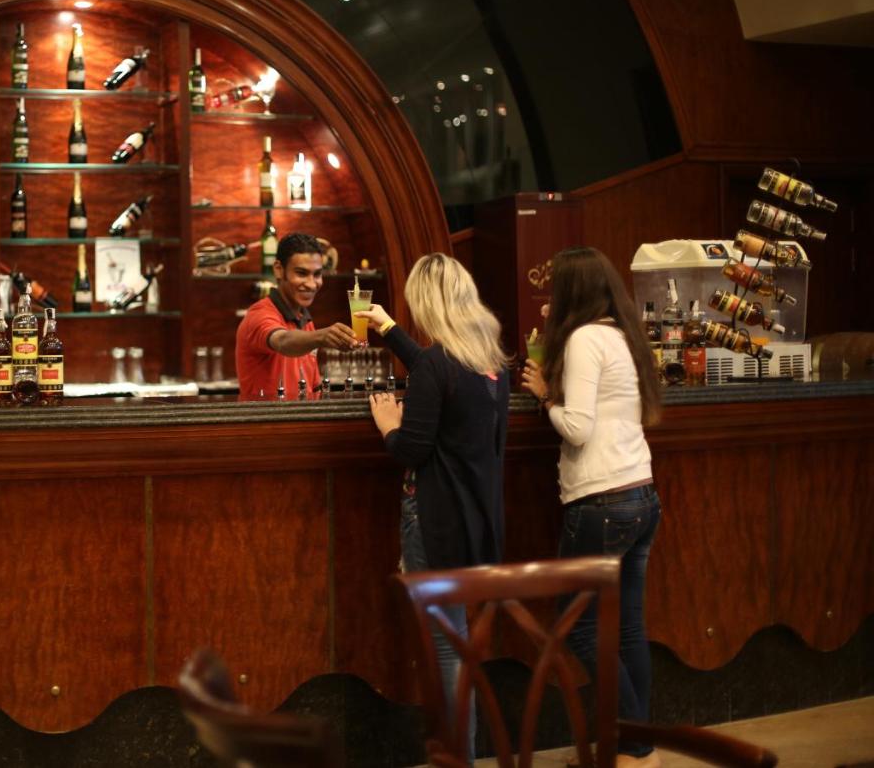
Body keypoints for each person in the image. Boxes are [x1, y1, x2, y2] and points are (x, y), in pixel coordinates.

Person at [359, 252, 510, 764]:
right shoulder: (489, 364)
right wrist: (389, 330)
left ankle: (459, 758)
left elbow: (411, 450)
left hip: (435, 517)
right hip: (476, 516)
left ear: (428, 303)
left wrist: (388, 425)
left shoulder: (437, 366)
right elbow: (436, 373)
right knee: (457, 639)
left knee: (446, 647)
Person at [519, 246, 663, 768]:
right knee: (627, 629)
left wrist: (545, 396)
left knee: (578, 626)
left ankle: (636, 749)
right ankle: (631, 748)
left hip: (601, 500)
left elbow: (577, 429)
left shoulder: (584, 339)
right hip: (641, 494)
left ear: (570, 292)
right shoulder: (623, 335)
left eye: (555, 289)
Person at [235, 232, 357, 401]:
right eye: (301, 273)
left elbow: (312, 389)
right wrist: (322, 337)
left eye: (317, 274)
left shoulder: (305, 320)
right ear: (279, 270)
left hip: (299, 417)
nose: (312, 284)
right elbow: (282, 341)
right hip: (265, 418)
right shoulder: (259, 315)